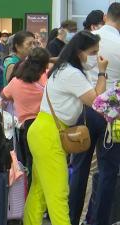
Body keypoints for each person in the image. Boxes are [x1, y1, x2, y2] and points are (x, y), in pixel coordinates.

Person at [24, 31, 107, 225]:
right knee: (59, 193)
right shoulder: (71, 73)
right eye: (93, 52)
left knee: (40, 191)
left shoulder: (64, 68)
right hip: (49, 134)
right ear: (80, 52)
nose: (96, 56)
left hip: (44, 131)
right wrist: (102, 72)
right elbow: (97, 101)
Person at [69, 4, 120, 225]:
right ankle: (99, 221)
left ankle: (70, 219)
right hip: (113, 116)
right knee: (108, 171)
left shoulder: (87, 38)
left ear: (106, 16)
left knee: (79, 169)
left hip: (84, 111)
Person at [1, 47, 50, 188]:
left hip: (25, 128)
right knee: (46, 165)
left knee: (30, 163)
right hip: (45, 125)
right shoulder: (45, 79)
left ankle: (29, 194)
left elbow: (3, 97)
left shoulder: (16, 81)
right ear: (45, 64)